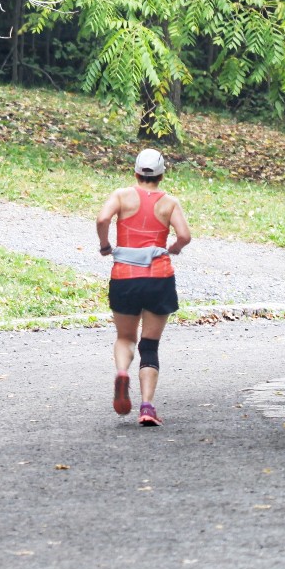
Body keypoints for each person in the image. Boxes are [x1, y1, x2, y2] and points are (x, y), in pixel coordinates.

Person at [95, 147, 191, 425]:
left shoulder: (121, 196)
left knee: (126, 338)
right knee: (150, 346)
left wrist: (105, 245)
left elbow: (102, 219)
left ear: (135, 172)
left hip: (125, 276)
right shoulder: (169, 203)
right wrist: (173, 247)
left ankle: (122, 372)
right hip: (158, 277)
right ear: (162, 176)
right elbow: (184, 235)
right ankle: (147, 407)